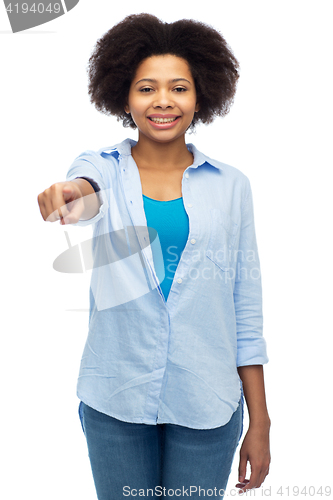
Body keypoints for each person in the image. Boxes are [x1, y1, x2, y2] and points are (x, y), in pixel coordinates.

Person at [37, 13, 271, 500]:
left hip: (208, 402)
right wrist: (68, 194)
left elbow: (244, 306)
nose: (163, 100)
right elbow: (85, 191)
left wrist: (261, 420)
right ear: (123, 95)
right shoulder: (101, 167)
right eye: (147, 88)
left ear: (201, 95)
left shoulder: (232, 186)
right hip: (115, 399)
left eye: (179, 87)